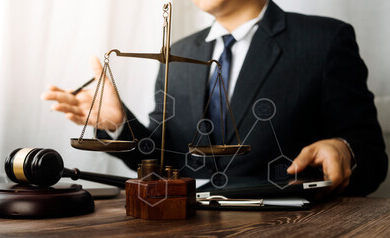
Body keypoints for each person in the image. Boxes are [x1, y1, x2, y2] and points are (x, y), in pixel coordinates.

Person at [42, 0, 388, 196]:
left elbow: (371, 155)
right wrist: (119, 125)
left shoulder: (323, 40)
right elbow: (161, 158)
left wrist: (344, 149)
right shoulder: (177, 54)